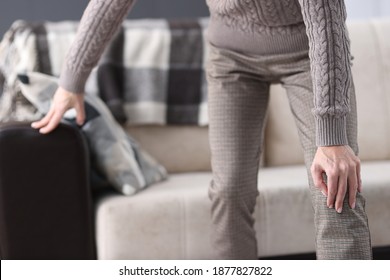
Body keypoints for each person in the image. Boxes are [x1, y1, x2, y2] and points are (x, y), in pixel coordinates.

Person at [31, 0, 372, 260]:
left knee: (336, 191)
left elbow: (327, 24)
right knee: (229, 191)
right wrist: (71, 81)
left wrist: (332, 136)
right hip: (231, 58)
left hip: (308, 54)